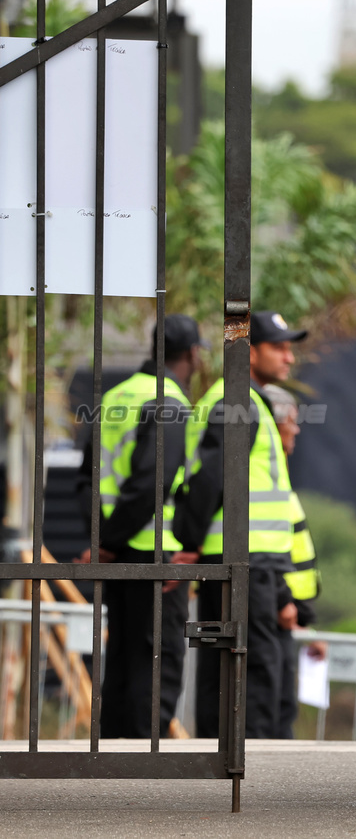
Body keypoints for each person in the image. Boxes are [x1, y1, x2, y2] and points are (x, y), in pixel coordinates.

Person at [174, 310, 305, 739]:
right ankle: (251, 771)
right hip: (246, 558)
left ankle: (223, 764)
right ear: (250, 351)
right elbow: (214, 475)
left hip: (237, 555)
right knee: (253, 668)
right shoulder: (237, 401)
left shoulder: (241, 399)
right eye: (279, 347)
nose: (288, 358)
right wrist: (190, 540)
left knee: (226, 665)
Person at [76, 314, 205, 738]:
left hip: (115, 552)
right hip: (155, 552)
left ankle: (110, 760)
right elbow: (154, 481)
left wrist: (100, 540)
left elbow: (86, 479)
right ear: (193, 354)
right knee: (155, 660)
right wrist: (111, 542)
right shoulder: (169, 401)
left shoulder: (115, 396)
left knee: (122, 657)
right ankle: (142, 769)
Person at [259, 383, 326, 739]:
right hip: (271, 612)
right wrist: (284, 603)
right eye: (291, 421)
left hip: (285, 618)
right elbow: (265, 548)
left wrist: (304, 624)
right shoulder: (264, 478)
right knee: (263, 716)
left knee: (280, 714)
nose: (296, 430)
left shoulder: (277, 477)